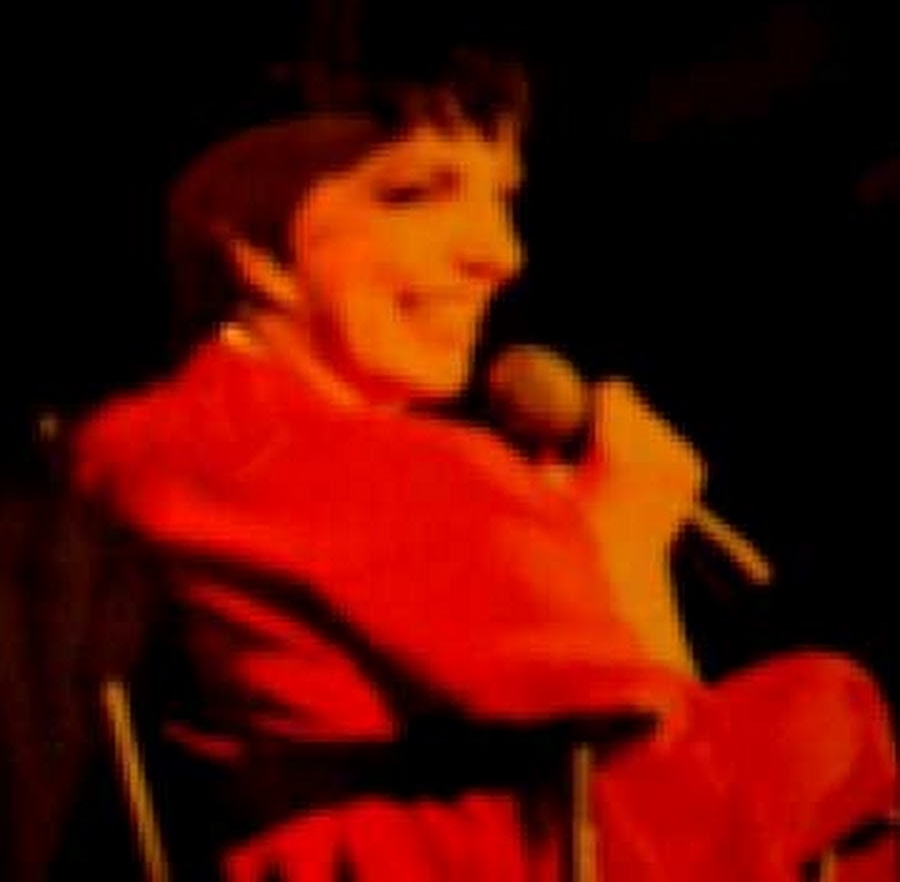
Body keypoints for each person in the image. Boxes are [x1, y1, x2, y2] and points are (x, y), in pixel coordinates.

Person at [71, 48, 896, 881]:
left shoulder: (172, 449)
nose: (500, 254)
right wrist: (625, 539)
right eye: (416, 195)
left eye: (500, 199)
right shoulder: (362, 468)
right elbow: (667, 777)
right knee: (821, 713)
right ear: (257, 245)